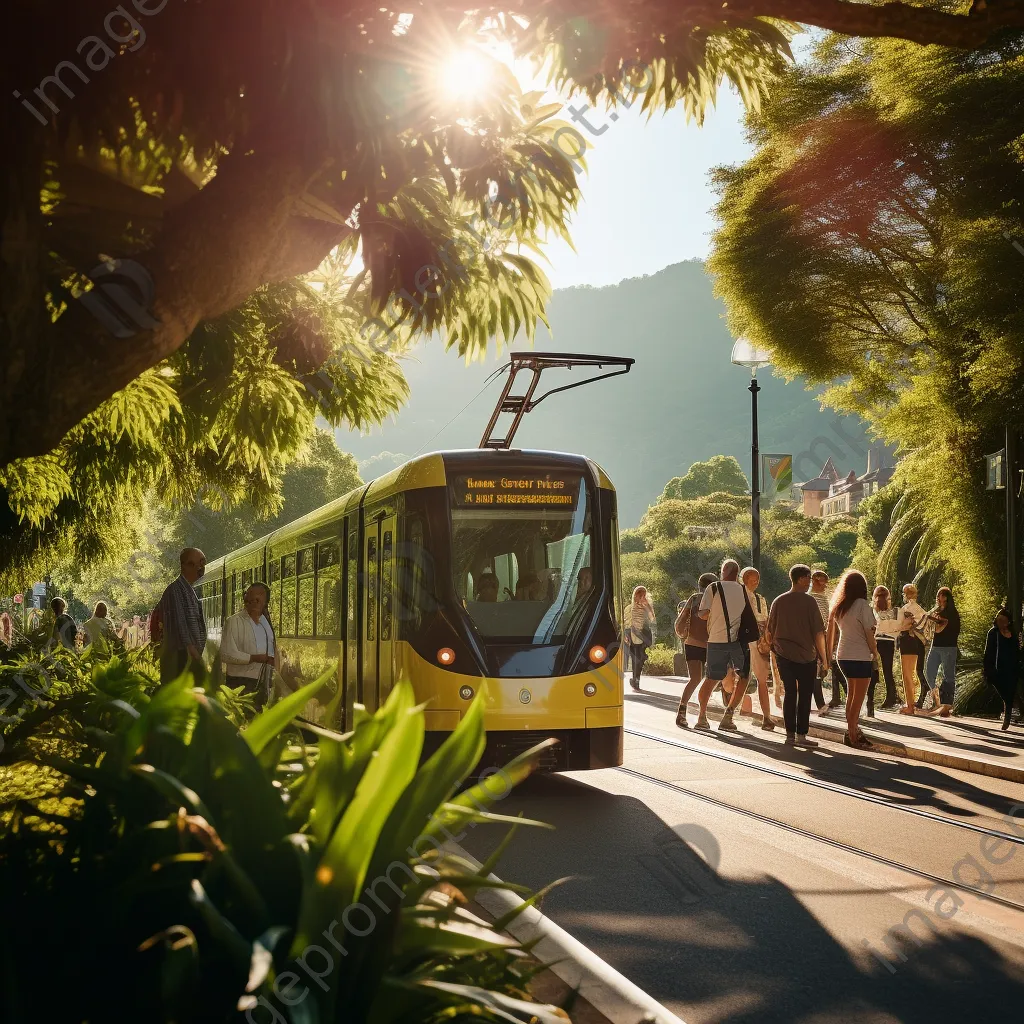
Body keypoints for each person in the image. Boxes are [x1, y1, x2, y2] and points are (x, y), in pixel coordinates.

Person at [766, 564, 827, 747]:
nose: (810, 582)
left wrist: (773, 650)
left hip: (783, 654)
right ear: (801, 579)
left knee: (790, 693)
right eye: (808, 578)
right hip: (806, 655)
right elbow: (818, 633)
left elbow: (770, 631)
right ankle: (802, 735)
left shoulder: (779, 600)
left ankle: (790, 735)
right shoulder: (809, 602)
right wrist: (824, 658)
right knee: (805, 694)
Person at [693, 559, 753, 733]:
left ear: (723, 571)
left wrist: (715, 614)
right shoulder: (743, 590)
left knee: (711, 678)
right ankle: (728, 715)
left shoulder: (713, 588)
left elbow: (703, 614)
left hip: (716, 640)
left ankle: (702, 717)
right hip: (737, 642)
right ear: (737, 573)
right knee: (743, 677)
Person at [826, 570, 879, 750]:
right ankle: (853, 735)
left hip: (843, 656)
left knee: (850, 696)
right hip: (860, 655)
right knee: (858, 698)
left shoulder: (841, 607)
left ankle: (852, 731)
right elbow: (869, 632)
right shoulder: (862, 606)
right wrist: (875, 652)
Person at [221, 582, 279, 711]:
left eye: (256, 600)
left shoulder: (265, 623)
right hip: (239, 684)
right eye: (248, 599)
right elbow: (226, 654)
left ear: (265, 602)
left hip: (263, 683)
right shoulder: (233, 621)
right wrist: (253, 658)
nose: (251, 603)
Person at [157, 547, 208, 684]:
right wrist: (194, 654)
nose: (201, 568)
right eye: (199, 563)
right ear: (185, 565)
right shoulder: (175, 590)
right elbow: (181, 626)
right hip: (180, 659)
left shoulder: (189, 589)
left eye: (203, 563)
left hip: (187, 658)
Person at [674, 572, 717, 728]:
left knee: (694, 679)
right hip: (711, 645)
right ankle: (702, 716)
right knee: (709, 680)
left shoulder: (694, 598)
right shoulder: (715, 600)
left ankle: (681, 712)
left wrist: (682, 633)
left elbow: (681, 619)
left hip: (691, 643)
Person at [741, 566, 776, 730]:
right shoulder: (738, 597)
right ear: (744, 579)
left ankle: (766, 717)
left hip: (758, 642)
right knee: (740, 678)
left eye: (757, 579)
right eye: (752, 578)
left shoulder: (761, 599)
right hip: (742, 641)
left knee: (762, 679)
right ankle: (731, 710)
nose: (756, 582)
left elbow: (767, 620)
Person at [812, 570, 848, 715]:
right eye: (822, 582)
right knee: (816, 672)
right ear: (814, 580)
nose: (825, 586)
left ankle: (823, 704)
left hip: (824, 639)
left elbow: (829, 621)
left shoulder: (824, 599)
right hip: (813, 640)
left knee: (822, 671)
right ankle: (821, 705)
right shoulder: (809, 598)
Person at [983, 607, 1023, 731]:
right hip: (996, 669)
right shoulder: (993, 633)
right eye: (999, 620)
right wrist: (987, 668)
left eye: (1003, 620)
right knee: (1005, 692)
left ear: (1008, 621)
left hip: (1011, 668)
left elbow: (1017, 651)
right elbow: (988, 651)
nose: (1001, 623)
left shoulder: (1013, 634)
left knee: (1010, 691)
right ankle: (1018, 707)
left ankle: (1008, 716)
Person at [922, 587, 960, 717]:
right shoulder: (937, 611)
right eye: (938, 596)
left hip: (949, 648)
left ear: (947, 598)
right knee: (928, 672)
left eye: (942, 596)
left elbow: (939, 629)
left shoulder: (952, 613)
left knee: (949, 676)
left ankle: (947, 706)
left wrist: (935, 620)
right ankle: (937, 700)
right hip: (935, 646)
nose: (939, 598)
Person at [897, 583, 928, 714]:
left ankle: (910, 706)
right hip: (917, 643)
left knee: (907, 674)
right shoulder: (920, 609)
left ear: (907, 595)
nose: (903, 596)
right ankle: (912, 703)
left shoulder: (905, 609)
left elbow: (901, 626)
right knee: (913, 674)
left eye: (904, 593)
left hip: (906, 642)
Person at [870, 586, 900, 712]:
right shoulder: (893, 611)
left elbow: (871, 626)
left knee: (872, 669)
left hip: (876, 640)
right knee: (888, 671)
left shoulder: (873, 610)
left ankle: (870, 699)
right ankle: (891, 697)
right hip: (889, 641)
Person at [624, 585, 656, 690]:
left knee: (640, 659)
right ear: (635, 595)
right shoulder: (629, 608)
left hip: (643, 636)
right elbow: (625, 623)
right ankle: (635, 680)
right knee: (635, 658)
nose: (641, 597)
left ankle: (636, 679)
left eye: (643, 595)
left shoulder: (646, 607)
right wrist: (625, 635)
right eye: (639, 595)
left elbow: (652, 619)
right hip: (632, 636)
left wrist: (647, 606)